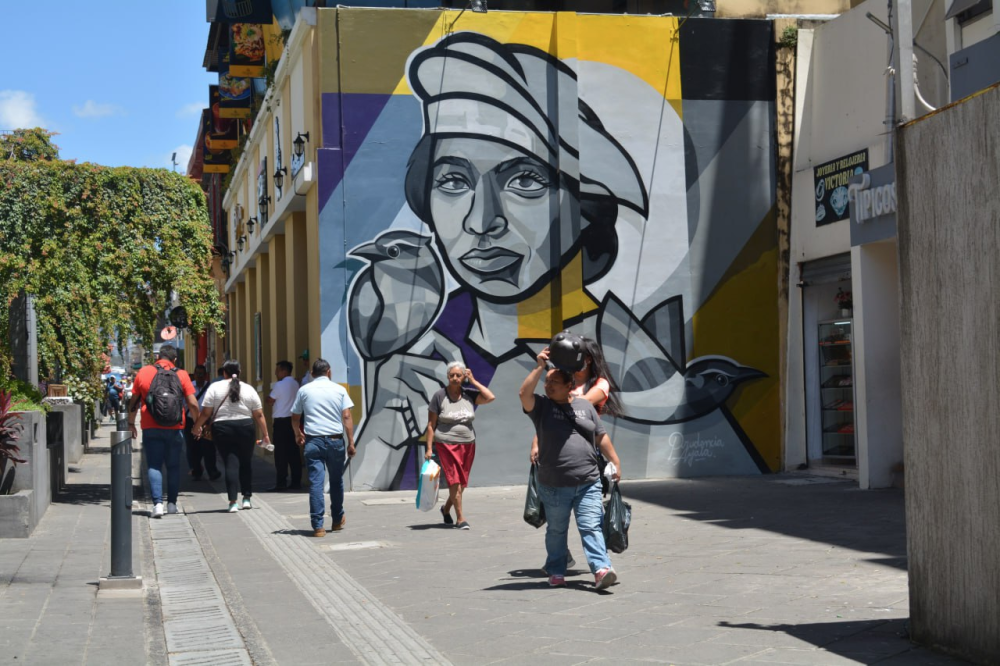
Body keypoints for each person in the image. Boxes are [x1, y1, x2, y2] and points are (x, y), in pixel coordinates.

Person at [519, 337, 623, 590]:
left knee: (590, 526)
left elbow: (600, 435)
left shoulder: (585, 406)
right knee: (557, 530)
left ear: (569, 386)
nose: (548, 385)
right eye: (547, 382)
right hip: (554, 484)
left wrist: (615, 461)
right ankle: (556, 570)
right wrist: (539, 367)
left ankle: (601, 569)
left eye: (554, 382)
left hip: (587, 481)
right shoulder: (541, 407)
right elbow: (524, 393)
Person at [128, 345, 201, 518]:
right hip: (175, 427)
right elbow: (192, 403)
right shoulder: (182, 374)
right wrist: (197, 424)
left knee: (154, 465)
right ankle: (172, 505)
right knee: (174, 466)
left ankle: (157, 505)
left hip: (150, 426)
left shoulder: (144, 372)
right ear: (174, 359)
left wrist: (131, 424)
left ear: (157, 357)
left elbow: (133, 403)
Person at [191, 360, 270, 512]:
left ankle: (233, 502)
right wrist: (265, 434)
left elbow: (206, 412)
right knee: (246, 462)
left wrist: (196, 427)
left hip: (222, 428)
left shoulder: (215, 387)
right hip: (245, 427)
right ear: (239, 372)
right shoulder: (248, 389)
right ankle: (246, 499)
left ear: (224, 373)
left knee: (230, 463)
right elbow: (259, 414)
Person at [424, 361, 495, 530]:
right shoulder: (439, 396)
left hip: (468, 444)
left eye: (458, 375)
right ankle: (460, 518)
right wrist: (428, 448)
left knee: (462, 483)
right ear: (447, 377)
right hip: (446, 443)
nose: (455, 378)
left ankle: (446, 508)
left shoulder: (469, 394)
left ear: (464, 377)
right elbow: (430, 425)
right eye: (452, 375)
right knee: (454, 480)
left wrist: (474, 381)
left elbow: (490, 397)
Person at [291, 358, 356, 537]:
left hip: (313, 442)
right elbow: (347, 416)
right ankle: (336, 520)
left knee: (316, 484)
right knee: (336, 481)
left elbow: (295, 417)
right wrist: (351, 442)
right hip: (336, 441)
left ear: (312, 374)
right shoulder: (339, 390)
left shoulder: (304, 390)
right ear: (329, 372)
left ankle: (318, 526)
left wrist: (298, 434)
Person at [266, 360, 301, 491]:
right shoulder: (296, 383)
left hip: (281, 422)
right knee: (294, 452)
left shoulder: (279, 385)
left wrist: (269, 397)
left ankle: (281, 482)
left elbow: (270, 400)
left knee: (280, 454)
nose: (276, 374)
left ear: (283, 371)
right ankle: (296, 481)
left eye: (277, 371)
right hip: (294, 420)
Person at [184, 364, 220, 481]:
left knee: (209, 447)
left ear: (205, 375)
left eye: (202, 374)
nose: (199, 376)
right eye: (197, 374)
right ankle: (196, 470)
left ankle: (212, 471)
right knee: (193, 447)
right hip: (191, 422)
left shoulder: (211, 388)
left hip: (206, 422)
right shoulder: (189, 387)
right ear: (194, 375)